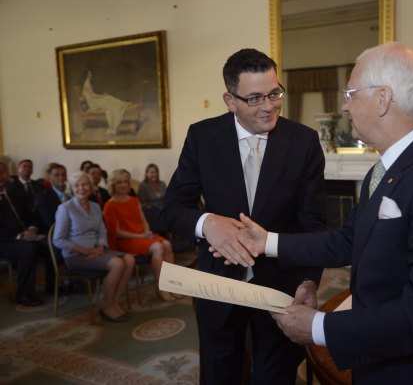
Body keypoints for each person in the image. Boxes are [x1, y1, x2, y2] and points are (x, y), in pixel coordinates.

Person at [225, 43, 413, 384]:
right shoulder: (385, 167)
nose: (344, 105)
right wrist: (268, 242)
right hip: (385, 356)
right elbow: (348, 240)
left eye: (351, 93)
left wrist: (319, 326)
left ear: (383, 99)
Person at [160, 48, 327, 384]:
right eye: (254, 98)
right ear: (229, 99)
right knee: (220, 374)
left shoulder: (304, 141)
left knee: (275, 376)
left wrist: (309, 280)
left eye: (274, 93)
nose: (269, 106)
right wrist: (208, 224)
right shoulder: (202, 137)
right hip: (217, 285)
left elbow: (314, 223)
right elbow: (170, 210)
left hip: (281, 287)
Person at [53, 171, 135, 322]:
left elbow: (102, 231)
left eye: (84, 184)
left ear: (90, 187)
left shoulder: (95, 206)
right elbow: (58, 240)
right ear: (71, 188)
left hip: (97, 252)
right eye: (76, 185)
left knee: (129, 259)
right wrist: (85, 251)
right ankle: (106, 306)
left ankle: (113, 301)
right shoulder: (65, 208)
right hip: (76, 256)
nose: (81, 188)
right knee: (117, 264)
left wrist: (101, 247)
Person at [103, 169, 175, 302]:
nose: (123, 185)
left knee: (167, 244)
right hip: (126, 240)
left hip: (141, 236)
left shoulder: (134, 200)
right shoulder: (110, 205)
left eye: (125, 182)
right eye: (119, 182)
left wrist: (147, 232)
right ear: (113, 185)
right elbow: (117, 232)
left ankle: (171, 285)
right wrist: (142, 236)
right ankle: (162, 289)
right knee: (158, 247)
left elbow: (143, 220)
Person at [0, 161, 44, 306]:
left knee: (49, 243)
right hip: (4, 241)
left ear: (7, 174)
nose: (0, 176)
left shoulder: (14, 192)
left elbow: (32, 214)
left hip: (23, 236)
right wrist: (20, 236)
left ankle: (53, 286)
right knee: (28, 249)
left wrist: (32, 229)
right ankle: (24, 294)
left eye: (2, 172)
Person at [81, 69, 133, 135]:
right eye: (89, 74)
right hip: (94, 103)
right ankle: (123, 104)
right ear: (86, 75)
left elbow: (91, 95)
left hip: (94, 101)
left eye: (90, 74)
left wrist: (102, 96)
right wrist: (102, 95)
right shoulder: (86, 83)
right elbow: (93, 96)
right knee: (108, 97)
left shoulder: (87, 82)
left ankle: (123, 104)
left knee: (109, 100)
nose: (91, 75)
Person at [34, 163, 69, 235]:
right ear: (50, 178)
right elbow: (48, 222)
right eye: (56, 175)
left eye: (63, 175)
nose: (61, 177)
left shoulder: (72, 194)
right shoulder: (42, 197)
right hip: (54, 233)